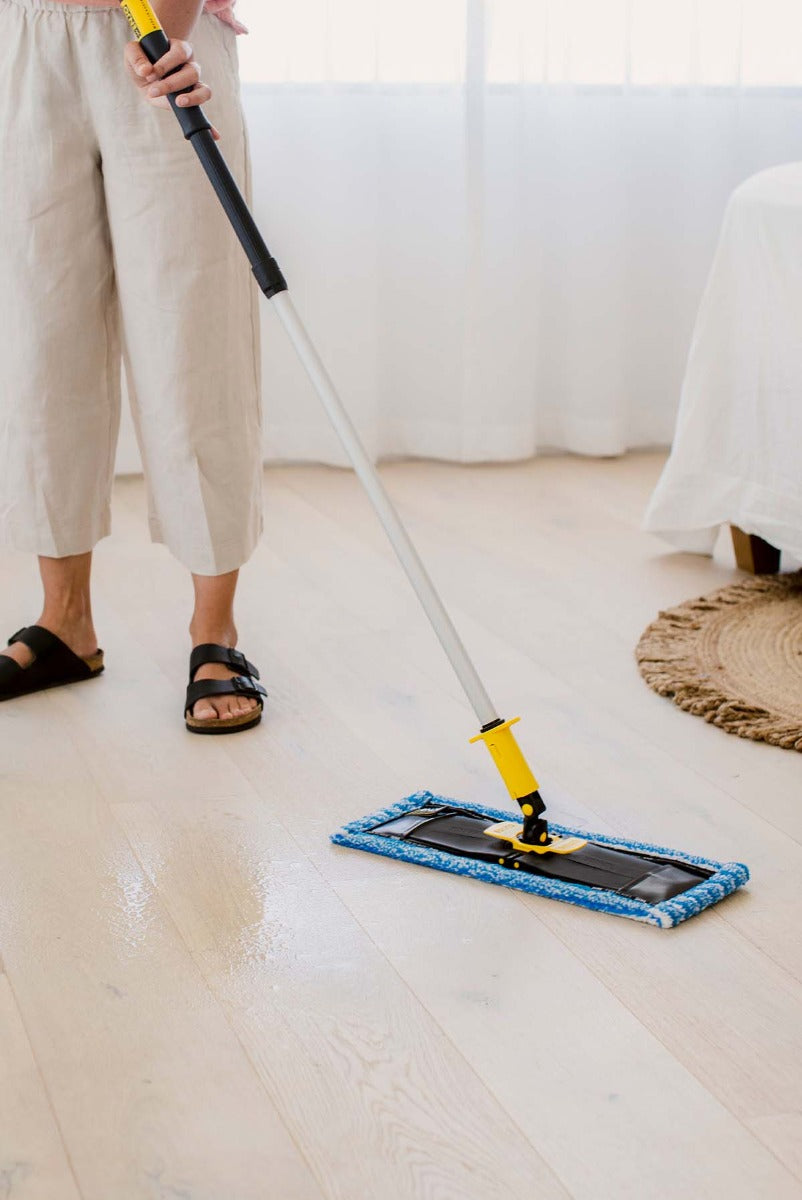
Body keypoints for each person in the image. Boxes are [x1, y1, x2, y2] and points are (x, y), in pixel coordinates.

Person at [0, 0, 268, 733]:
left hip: (156, 24)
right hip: (22, 36)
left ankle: (215, 633)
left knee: (191, 341)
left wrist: (170, 33)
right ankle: (64, 623)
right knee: (38, 347)